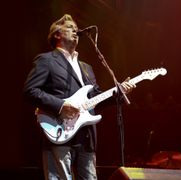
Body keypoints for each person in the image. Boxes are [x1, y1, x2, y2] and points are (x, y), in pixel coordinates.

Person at [23, 14, 136, 180]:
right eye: (70, 28)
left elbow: (95, 99)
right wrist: (62, 106)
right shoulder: (47, 60)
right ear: (57, 35)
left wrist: (119, 93)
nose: (76, 31)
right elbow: (30, 90)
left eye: (76, 29)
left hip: (86, 137)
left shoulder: (86, 67)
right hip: (58, 132)